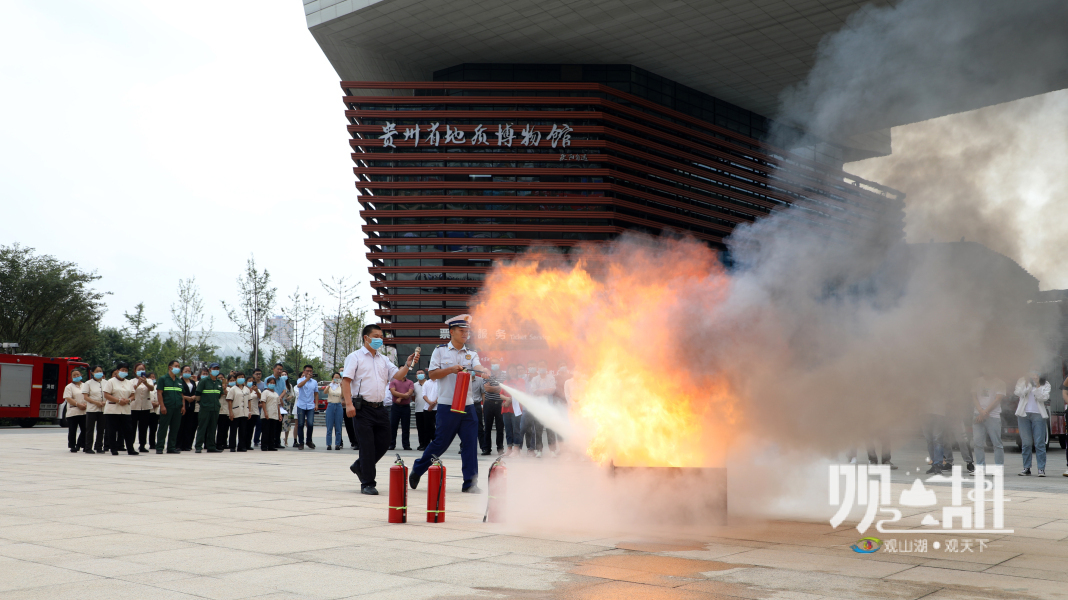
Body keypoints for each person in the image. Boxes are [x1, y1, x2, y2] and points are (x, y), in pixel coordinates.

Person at [409, 314, 487, 494]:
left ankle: (470, 483)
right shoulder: (440, 351)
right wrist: (451, 370)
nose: (465, 334)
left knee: (469, 445)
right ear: (451, 332)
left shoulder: (471, 354)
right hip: (447, 406)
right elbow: (433, 375)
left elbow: (479, 367)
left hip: (468, 406)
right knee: (440, 444)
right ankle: (418, 468)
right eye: (461, 331)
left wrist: (485, 371)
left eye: (467, 331)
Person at [343, 324, 416, 495]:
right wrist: (349, 404)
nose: (379, 339)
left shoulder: (383, 359)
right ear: (366, 338)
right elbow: (346, 381)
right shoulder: (355, 357)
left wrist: (407, 365)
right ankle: (368, 483)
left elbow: (397, 375)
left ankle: (359, 465)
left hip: (381, 408)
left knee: (385, 442)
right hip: (362, 408)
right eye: (375, 336)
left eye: (381, 337)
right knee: (367, 446)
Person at [1015, 370, 1051, 476]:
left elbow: (1043, 398)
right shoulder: (1022, 381)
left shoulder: (1046, 383)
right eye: (1032, 372)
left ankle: (1041, 469)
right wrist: (1027, 386)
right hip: (1023, 414)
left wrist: (1038, 385)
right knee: (1026, 443)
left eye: (1037, 373)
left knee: (1039, 442)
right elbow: (1018, 393)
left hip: (1038, 415)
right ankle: (1026, 468)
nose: (1034, 375)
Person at [102, 362, 138, 456]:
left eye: (126, 370)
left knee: (128, 430)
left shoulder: (128, 382)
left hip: (125, 410)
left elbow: (133, 395)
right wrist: (118, 400)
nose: (124, 372)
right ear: (117, 371)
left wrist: (128, 400)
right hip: (112, 409)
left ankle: (130, 449)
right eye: (122, 370)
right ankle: (113, 449)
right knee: (112, 430)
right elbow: (106, 394)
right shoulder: (110, 381)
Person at [972, 372, 1006, 469]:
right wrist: (980, 411)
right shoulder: (976, 381)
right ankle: (980, 467)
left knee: (997, 443)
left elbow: (997, 399)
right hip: (977, 414)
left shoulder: (1000, 383)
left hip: (993, 416)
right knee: (977, 443)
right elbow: (974, 397)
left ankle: (999, 468)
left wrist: (984, 412)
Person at [155, 360, 185, 454]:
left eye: (178, 366)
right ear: (170, 367)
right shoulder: (163, 379)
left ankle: (171, 447)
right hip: (167, 407)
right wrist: (162, 406)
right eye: (176, 366)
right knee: (163, 427)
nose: (177, 368)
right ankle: (159, 447)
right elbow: (159, 393)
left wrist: (183, 406)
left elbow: (182, 395)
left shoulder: (179, 381)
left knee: (175, 428)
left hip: (177, 407)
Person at [195, 363, 224, 453]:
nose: (216, 370)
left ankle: (211, 446)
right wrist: (202, 403)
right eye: (214, 368)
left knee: (213, 427)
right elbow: (198, 395)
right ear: (210, 370)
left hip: (215, 408)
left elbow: (219, 394)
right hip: (205, 408)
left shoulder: (219, 382)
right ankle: (198, 446)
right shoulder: (203, 381)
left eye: (217, 368)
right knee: (202, 427)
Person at [129, 362, 156, 453]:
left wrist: (145, 383)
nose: (141, 371)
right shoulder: (131, 381)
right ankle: (130, 444)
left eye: (142, 369)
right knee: (132, 427)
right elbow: (130, 391)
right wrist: (138, 383)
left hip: (145, 406)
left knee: (143, 427)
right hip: (134, 406)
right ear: (135, 371)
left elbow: (152, 389)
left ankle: (142, 445)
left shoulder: (149, 380)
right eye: (139, 369)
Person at [481, 362, 505, 455]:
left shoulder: (504, 375)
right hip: (489, 404)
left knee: (500, 428)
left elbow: (503, 389)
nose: (495, 365)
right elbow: (487, 389)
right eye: (493, 363)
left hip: (500, 404)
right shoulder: (487, 374)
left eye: (497, 363)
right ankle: (486, 448)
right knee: (487, 427)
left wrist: (492, 387)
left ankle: (500, 449)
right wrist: (498, 388)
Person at [388, 371, 415, 451]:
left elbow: (410, 392)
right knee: (393, 426)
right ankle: (391, 444)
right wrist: (404, 396)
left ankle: (406, 445)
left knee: (406, 427)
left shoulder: (410, 382)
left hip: (406, 407)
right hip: (395, 407)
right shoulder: (393, 381)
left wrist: (400, 398)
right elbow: (393, 392)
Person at [63, 368, 87, 453]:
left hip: (84, 411)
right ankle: (72, 446)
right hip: (73, 411)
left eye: (78, 374)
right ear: (71, 377)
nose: (76, 376)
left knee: (85, 429)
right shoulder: (69, 387)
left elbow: (88, 396)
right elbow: (68, 398)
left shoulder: (85, 385)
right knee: (73, 430)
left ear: (81, 375)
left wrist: (86, 405)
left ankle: (81, 444)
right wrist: (78, 404)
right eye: (74, 375)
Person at [502, 364, 525, 456]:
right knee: (508, 429)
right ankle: (509, 448)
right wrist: (506, 399)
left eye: (513, 370)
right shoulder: (505, 381)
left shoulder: (521, 381)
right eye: (510, 370)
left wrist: (509, 399)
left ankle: (516, 449)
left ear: (516, 371)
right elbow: (501, 394)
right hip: (506, 408)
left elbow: (521, 393)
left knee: (516, 429)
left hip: (516, 409)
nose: (512, 371)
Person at [83, 366, 107, 454]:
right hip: (92, 409)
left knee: (101, 429)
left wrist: (105, 402)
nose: (99, 373)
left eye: (100, 371)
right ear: (92, 373)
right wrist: (95, 402)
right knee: (90, 429)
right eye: (97, 371)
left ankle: (99, 446)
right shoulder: (88, 383)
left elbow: (109, 394)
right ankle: (88, 447)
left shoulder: (106, 383)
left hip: (103, 409)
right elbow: (85, 396)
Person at [294, 365, 318, 450]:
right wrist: (306, 379)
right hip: (301, 405)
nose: (309, 372)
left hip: (310, 405)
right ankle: (301, 442)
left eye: (310, 371)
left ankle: (309, 441)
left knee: (310, 424)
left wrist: (316, 404)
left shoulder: (314, 382)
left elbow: (316, 393)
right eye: (307, 371)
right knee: (300, 424)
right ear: (304, 372)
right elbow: (299, 386)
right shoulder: (300, 380)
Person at [227, 372, 250, 452]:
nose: (241, 378)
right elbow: (229, 401)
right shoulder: (233, 389)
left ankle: (241, 446)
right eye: (239, 377)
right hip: (235, 412)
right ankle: (232, 446)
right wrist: (230, 412)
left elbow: (249, 400)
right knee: (233, 430)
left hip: (244, 412)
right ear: (236, 379)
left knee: (243, 430)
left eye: (242, 377)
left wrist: (249, 411)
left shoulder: (246, 389)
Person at [178, 365, 199, 451]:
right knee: (180, 426)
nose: (187, 373)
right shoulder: (179, 381)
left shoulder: (193, 382)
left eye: (189, 371)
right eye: (185, 371)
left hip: (191, 406)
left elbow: (195, 392)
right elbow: (179, 392)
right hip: (182, 405)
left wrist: (193, 397)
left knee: (189, 426)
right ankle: (178, 444)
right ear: (181, 372)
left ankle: (187, 445)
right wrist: (186, 397)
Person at [324, 372, 345, 450]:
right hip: (331, 405)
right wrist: (331, 384)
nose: (337, 379)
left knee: (338, 427)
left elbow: (343, 396)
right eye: (335, 378)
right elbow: (325, 392)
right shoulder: (330, 386)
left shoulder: (341, 386)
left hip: (338, 406)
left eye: (338, 378)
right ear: (332, 378)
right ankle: (328, 444)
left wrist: (342, 387)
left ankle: (337, 444)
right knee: (329, 426)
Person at [260, 375, 281, 451]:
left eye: (273, 383)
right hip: (267, 414)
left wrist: (279, 414)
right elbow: (263, 402)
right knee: (266, 431)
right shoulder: (265, 392)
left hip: (274, 414)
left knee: (272, 431)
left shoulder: (276, 394)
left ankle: (271, 445)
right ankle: (264, 445)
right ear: (267, 383)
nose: (272, 384)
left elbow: (278, 404)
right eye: (270, 382)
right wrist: (265, 412)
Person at [216, 375, 236, 450]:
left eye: (222, 378)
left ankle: (224, 443)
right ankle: (218, 444)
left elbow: (230, 397)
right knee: (219, 429)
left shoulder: (230, 389)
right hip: (219, 410)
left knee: (225, 429)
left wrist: (225, 390)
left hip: (227, 411)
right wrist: (222, 390)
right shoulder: (217, 387)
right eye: (219, 378)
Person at [413, 369, 430, 450]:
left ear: (425, 375)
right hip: (418, 409)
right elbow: (413, 397)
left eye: (421, 373)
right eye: (418, 373)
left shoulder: (429, 383)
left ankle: (427, 444)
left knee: (428, 428)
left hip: (428, 409)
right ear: (416, 376)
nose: (420, 374)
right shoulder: (414, 385)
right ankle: (421, 444)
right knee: (420, 428)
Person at [245, 374, 261, 450]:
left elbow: (261, 398)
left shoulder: (257, 390)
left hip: (254, 411)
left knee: (251, 429)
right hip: (245, 411)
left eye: (252, 381)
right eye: (249, 381)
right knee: (244, 428)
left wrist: (256, 391)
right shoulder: (244, 389)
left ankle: (248, 444)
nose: (251, 382)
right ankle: (242, 443)